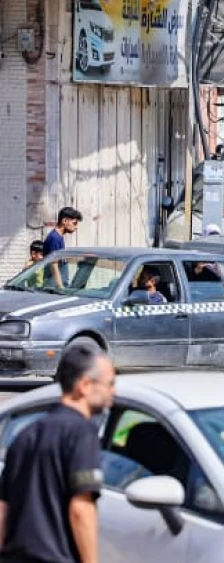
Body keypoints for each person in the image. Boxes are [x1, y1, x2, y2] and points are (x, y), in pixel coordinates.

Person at [0, 344, 115, 563]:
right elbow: (81, 508)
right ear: (84, 385)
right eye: (110, 384)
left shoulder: (26, 434)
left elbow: (3, 509)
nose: (113, 392)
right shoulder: (81, 433)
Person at [43, 207, 82, 290]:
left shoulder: (59, 237)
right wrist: (60, 287)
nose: (76, 227)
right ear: (64, 221)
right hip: (54, 288)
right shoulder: (54, 238)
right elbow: (53, 265)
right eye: (74, 223)